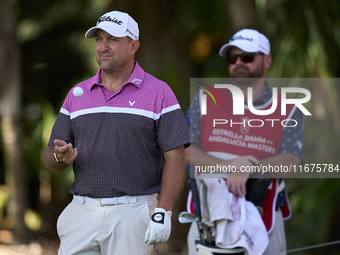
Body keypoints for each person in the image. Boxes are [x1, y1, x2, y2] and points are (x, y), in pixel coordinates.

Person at [43, 10, 190, 255]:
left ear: (134, 45)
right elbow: (50, 155)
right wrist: (59, 156)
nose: (103, 46)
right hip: (82, 213)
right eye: (99, 39)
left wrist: (163, 212)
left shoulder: (159, 92)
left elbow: (175, 157)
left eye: (112, 39)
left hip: (134, 215)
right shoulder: (77, 94)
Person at [186, 29, 304, 255]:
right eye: (232, 58)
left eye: (247, 57)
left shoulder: (289, 108)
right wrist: (229, 167)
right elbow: (182, 149)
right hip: (206, 216)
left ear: (267, 60)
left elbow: (292, 159)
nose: (238, 62)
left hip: (264, 214)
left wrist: (252, 167)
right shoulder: (205, 99)